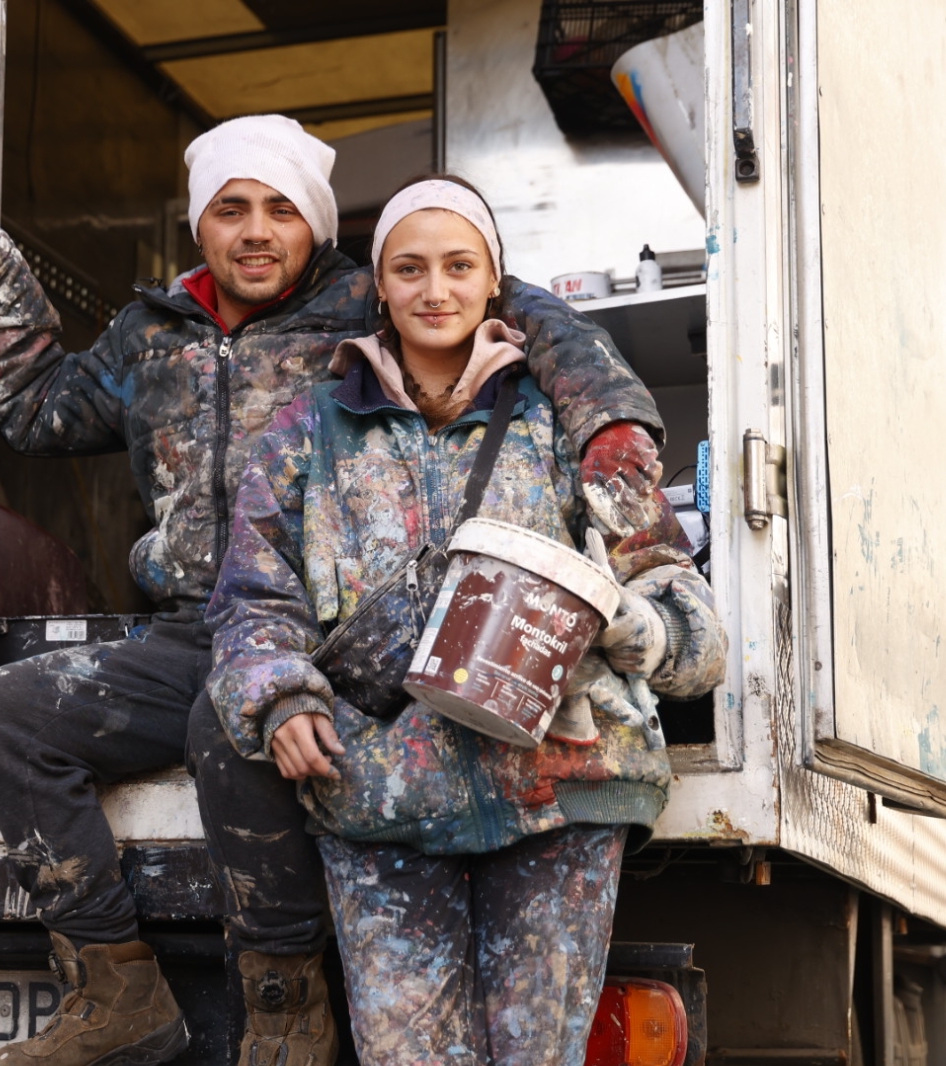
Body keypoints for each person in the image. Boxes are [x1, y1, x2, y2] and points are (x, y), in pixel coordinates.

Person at [0, 115, 671, 1066]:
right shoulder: (150, 334)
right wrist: (2, 285)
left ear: (317, 225)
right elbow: (39, 413)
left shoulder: (371, 299)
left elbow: (522, 312)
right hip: (192, 624)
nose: (257, 230)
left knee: (230, 727)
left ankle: (284, 1006)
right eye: (231, 210)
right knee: (4, 716)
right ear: (201, 227)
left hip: (317, 631)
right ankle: (113, 982)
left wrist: (608, 422)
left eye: (282, 209)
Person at [206, 177, 728, 1065]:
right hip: (376, 802)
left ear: (495, 283)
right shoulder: (309, 430)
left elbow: (690, 624)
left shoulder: (562, 421)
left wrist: (623, 622)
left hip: (559, 799)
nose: (434, 290)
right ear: (381, 287)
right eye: (409, 269)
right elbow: (252, 605)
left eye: (458, 266)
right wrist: (280, 700)